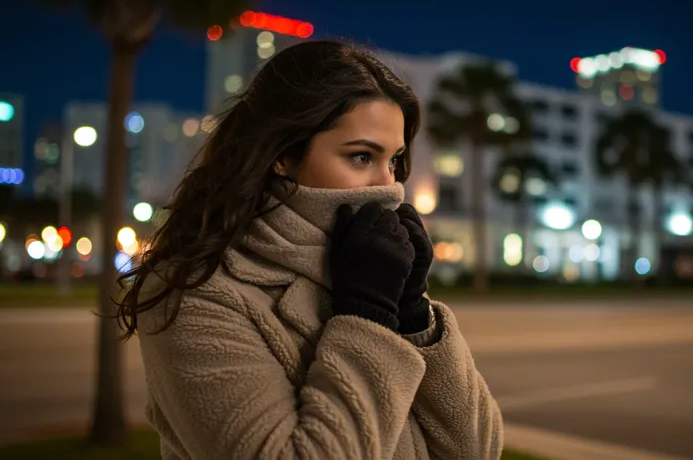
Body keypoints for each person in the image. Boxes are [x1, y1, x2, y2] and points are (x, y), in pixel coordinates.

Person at [117, 40, 503, 459]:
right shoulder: (198, 292)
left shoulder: (371, 268)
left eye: (393, 160)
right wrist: (365, 317)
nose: (388, 187)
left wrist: (414, 317)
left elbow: (477, 450)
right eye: (360, 157)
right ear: (282, 155)